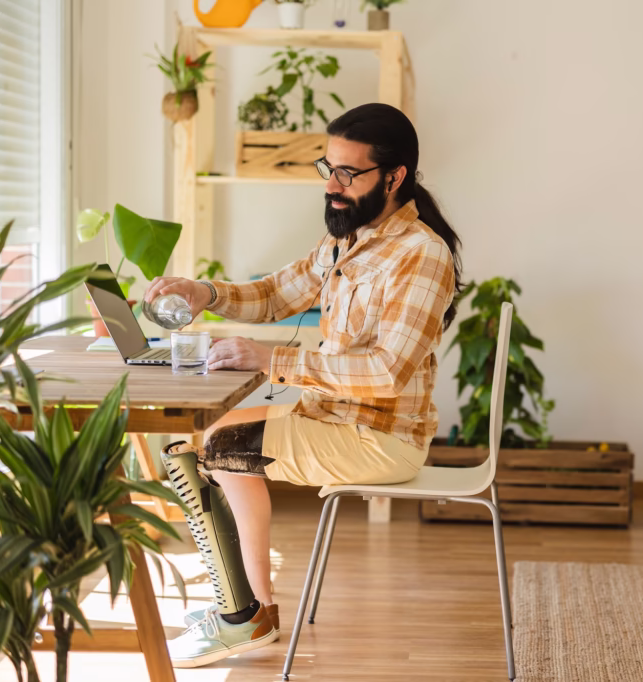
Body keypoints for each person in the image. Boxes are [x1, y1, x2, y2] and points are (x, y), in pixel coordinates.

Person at [143, 103, 463, 668]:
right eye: (328, 168)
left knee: (216, 443)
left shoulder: (421, 255)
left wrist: (274, 360)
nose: (332, 187)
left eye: (349, 173)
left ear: (395, 177)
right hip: (330, 418)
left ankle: (245, 616)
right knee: (195, 432)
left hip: (379, 437)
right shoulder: (349, 241)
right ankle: (249, 610)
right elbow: (275, 294)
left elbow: (388, 373)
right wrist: (204, 293)